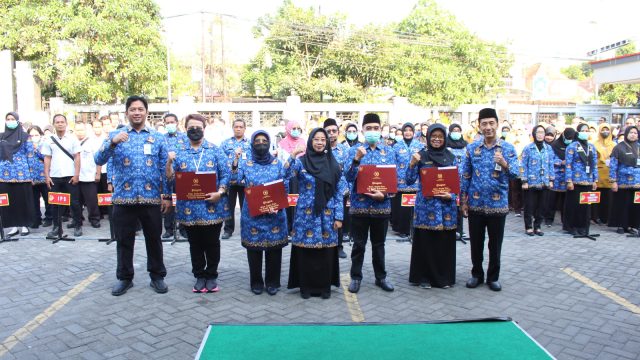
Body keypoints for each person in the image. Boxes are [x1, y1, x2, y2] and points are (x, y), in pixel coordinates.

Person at [94, 96, 171, 296]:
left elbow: (164, 168)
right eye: (132, 109)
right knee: (124, 240)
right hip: (123, 198)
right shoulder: (116, 135)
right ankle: (125, 278)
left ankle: (157, 276)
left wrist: (166, 196)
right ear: (127, 112)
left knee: (154, 239)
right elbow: (98, 158)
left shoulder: (157, 137)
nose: (136, 112)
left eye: (140, 109)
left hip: (151, 198)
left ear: (146, 112)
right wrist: (112, 142)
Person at [167, 114, 229, 293]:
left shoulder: (215, 150)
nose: (195, 130)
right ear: (185, 129)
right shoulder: (178, 151)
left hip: (212, 207)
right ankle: (199, 275)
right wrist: (169, 162)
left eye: (198, 127)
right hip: (189, 208)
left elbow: (226, 174)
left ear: (204, 129)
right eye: (191, 127)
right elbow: (170, 178)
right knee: (194, 244)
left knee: (212, 242)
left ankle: (211, 275)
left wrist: (220, 192)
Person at [461, 108, 519, 292]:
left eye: (491, 123)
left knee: (495, 244)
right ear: (479, 126)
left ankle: (493, 277)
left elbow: (516, 174)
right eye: (484, 123)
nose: (488, 127)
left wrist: (504, 164)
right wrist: (463, 201)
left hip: (497, 205)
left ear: (497, 124)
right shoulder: (472, 148)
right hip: (476, 204)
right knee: (476, 243)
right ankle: (476, 275)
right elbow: (466, 176)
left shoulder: (507, 149)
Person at [287, 128, 343, 299]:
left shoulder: (333, 163)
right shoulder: (301, 162)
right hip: (306, 215)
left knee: (326, 253)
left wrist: (339, 216)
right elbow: (285, 175)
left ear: (327, 142)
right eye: (316, 139)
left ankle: (325, 288)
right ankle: (306, 287)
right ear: (310, 141)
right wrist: (292, 156)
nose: (319, 142)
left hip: (328, 213)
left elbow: (340, 191)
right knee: (306, 252)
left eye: (322, 140)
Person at [232, 130, 289, 295]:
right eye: (257, 141)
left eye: (265, 140)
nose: (261, 143)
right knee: (254, 250)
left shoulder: (277, 163)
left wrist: (278, 204)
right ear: (252, 144)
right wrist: (235, 160)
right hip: (252, 214)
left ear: (269, 142)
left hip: (274, 214)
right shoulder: (246, 164)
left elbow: (284, 185)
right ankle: (256, 282)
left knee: (274, 250)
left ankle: (272, 282)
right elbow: (234, 180)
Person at [345, 113, 396, 293]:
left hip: (381, 208)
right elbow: (349, 177)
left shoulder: (389, 151)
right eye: (369, 128)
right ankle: (356, 277)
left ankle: (380, 277)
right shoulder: (354, 150)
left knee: (379, 245)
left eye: (376, 128)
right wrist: (357, 159)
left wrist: (385, 194)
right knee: (358, 245)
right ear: (363, 130)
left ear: (381, 130)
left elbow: (394, 181)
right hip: (359, 207)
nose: (372, 131)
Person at [407, 124, 458, 289]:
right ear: (428, 137)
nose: (437, 139)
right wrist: (412, 164)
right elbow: (408, 180)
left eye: (440, 136)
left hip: (446, 208)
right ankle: (424, 278)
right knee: (426, 243)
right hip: (426, 208)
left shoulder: (451, 157)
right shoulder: (420, 156)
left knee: (443, 243)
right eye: (433, 136)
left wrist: (452, 196)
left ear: (445, 138)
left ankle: (443, 278)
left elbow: (459, 183)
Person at [41, 114, 82, 238]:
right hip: (55, 177)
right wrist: (47, 176)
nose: (60, 124)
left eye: (62, 122)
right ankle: (56, 227)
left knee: (74, 202)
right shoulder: (49, 140)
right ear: (53, 124)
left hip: (70, 176)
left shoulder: (73, 139)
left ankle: (77, 225)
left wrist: (76, 174)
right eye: (57, 122)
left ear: (66, 123)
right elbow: (47, 158)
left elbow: (77, 157)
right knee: (55, 204)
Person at [0, 112, 36, 237]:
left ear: (17, 121)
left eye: (12, 119)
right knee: (9, 201)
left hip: (23, 175)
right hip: (4, 175)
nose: (10, 121)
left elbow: (30, 155)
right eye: (8, 119)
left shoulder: (25, 136)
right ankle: (13, 226)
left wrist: (32, 175)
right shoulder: (1, 136)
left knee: (22, 200)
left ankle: (25, 225)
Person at [564, 123, 598, 236]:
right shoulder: (572, 146)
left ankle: (583, 226)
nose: (586, 132)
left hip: (588, 180)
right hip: (575, 180)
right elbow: (568, 164)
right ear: (578, 132)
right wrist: (569, 180)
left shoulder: (591, 147)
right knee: (574, 205)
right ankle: (571, 226)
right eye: (583, 130)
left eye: (587, 130)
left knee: (585, 207)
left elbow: (594, 164)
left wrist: (595, 180)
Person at [520, 125, 554, 236]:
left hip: (544, 181)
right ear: (534, 134)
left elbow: (551, 165)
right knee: (529, 206)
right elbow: (523, 165)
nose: (540, 134)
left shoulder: (548, 148)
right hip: (531, 182)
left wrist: (551, 179)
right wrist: (524, 181)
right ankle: (528, 227)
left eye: (542, 132)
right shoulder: (528, 148)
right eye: (538, 132)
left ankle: (537, 226)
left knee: (542, 206)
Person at [323, 118, 350, 258]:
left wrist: (348, 189)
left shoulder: (345, 150)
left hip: (341, 190)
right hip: (324, 191)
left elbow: (349, 171)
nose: (331, 134)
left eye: (334, 131)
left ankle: (339, 246)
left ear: (338, 133)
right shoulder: (320, 149)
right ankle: (326, 243)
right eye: (328, 131)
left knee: (339, 218)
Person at [392, 122, 423, 240]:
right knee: (403, 209)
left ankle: (415, 229)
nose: (408, 132)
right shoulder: (396, 146)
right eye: (406, 130)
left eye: (410, 130)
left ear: (414, 132)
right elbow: (393, 164)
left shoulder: (420, 146)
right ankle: (403, 230)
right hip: (401, 183)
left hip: (416, 182)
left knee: (414, 208)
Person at [220, 119, 251, 240]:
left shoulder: (250, 143)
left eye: (241, 127)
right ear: (232, 128)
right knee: (229, 206)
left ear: (244, 128)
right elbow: (221, 161)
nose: (238, 129)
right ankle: (228, 229)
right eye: (236, 126)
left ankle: (246, 230)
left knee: (245, 207)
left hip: (245, 180)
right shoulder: (225, 143)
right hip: (230, 180)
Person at [608, 126, 640, 234]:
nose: (633, 134)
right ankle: (621, 225)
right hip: (622, 182)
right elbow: (613, 166)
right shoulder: (618, 147)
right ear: (626, 134)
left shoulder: (639, 147)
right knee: (622, 205)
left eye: (635, 133)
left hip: (637, 183)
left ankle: (631, 226)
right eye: (631, 132)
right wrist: (613, 181)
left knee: (634, 205)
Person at [162, 113, 187, 239]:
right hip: (166, 174)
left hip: (181, 175)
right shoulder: (161, 138)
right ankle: (169, 229)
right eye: (167, 122)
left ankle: (183, 228)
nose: (170, 124)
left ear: (177, 123)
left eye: (172, 122)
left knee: (182, 201)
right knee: (168, 201)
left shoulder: (184, 138)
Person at [545, 128, 575, 228]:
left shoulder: (574, 146)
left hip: (568, 178)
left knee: (565, 202)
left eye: (571, 138)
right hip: (556, 176)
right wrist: (561, 162)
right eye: (567, 138)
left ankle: (565, 220)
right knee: (551, 200)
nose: (569, 140)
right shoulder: (554, 145)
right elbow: (550, 159)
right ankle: (549, 219)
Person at [74, 122, 101, 229]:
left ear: (86, 130)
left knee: (92, 201)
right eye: (77, 130)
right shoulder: (72, 142)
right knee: (76, 200)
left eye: (82, 130)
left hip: (89, 176)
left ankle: (94, 218)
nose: (80, 132)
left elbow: (99, 159)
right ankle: (77, 219)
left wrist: (98, 173)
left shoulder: (93, 142)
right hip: (75, 176)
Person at [27, 126, 52, 229]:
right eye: (31, 135)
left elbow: (46, 157)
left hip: (45, 177)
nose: (34, 137)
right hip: (32, 178)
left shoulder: (45, 143)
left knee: (48, 199)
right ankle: (36, 219)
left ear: (40, 134)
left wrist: (36, 149)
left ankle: (49, 218)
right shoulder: (26, 145)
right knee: (34, 201)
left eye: (36, 135)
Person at [447, 123, 468, 240]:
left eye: (458, 130)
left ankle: (461, 230)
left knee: (461, 205)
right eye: (454, 130)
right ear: (450, 132)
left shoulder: (466, 146)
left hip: (462, 181)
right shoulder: (447, 147)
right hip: (451, 182)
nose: (456, 132)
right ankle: (452, 229)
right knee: (452, 206)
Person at [591, 123, 615, 225]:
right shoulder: (594, 144)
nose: (605, 132)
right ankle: (595, 217)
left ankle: (606, 217)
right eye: (603, 130)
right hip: (598, 173)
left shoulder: (614, 145)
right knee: (596, 197)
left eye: (607, 130)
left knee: (608, 198)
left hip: (609, 174)